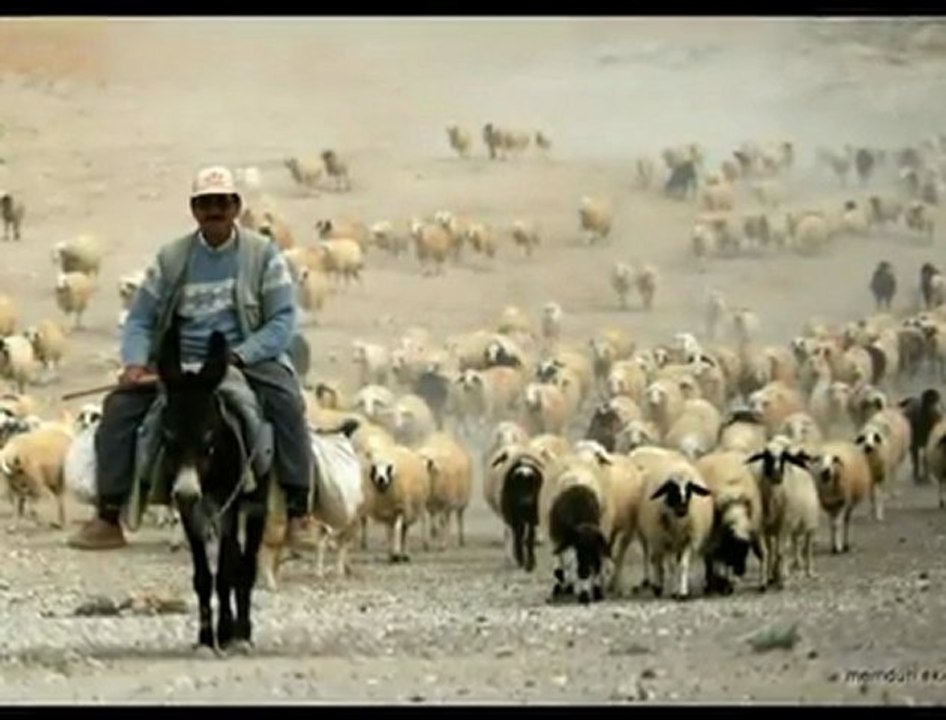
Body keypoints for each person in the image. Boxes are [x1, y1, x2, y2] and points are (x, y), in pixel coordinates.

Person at [68, 165, 314, 550]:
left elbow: (283, 319)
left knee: (286, 403)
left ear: (236, 207)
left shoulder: (263, 255)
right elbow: (140, 319)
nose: (214, 211)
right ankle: (109, 514)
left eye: (222, 203)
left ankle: (299, 512)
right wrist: (135, 362)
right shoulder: (172, 259)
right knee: (119, 408)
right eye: (205, 204)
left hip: (245, 358)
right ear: (194, 209)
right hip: (180, 363)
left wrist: (242, 355)